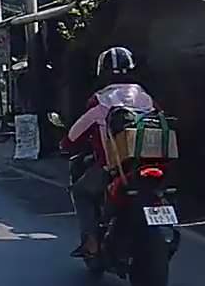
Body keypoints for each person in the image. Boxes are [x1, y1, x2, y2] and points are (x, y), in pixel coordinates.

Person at [59, 46, 155, 259]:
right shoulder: (145, 97)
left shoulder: (101, 100)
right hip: (148, 162)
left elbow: (75, 134)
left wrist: (65, 144)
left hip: (112, 166)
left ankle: (91, 243)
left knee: (81, 192)